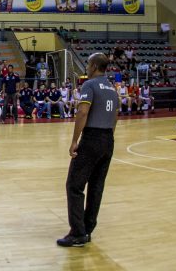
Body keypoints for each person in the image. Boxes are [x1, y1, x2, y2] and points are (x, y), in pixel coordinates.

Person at [58, 53, 119, 247]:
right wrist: (108, 138)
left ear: (93, 66)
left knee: (74, 185)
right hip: (108, 139)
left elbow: (83, 112)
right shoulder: (112, 88)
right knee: (96, 187)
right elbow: (115, 116)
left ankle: (77, 233)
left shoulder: (89, 85)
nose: (86, 68)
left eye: (88, 64)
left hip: (92, 137)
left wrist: (74, 140)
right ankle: (87, 229)